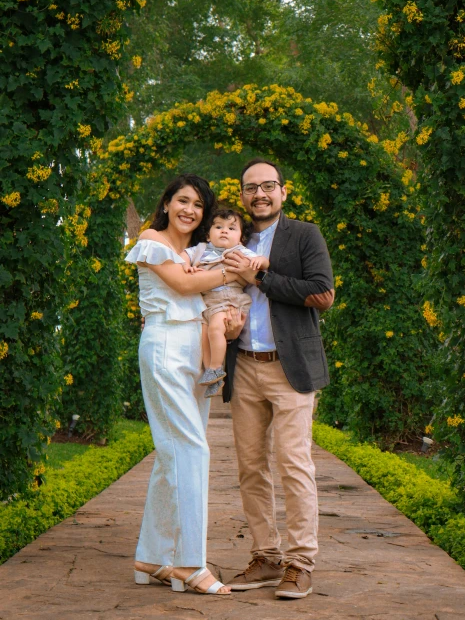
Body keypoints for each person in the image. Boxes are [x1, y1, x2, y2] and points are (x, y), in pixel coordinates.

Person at [126, 174, 244, 597]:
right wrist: (235, 273)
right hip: (164, 348)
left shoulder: (195, 252)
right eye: (183, 200)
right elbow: (182, 284)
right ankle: (191, 563)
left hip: (193, 350)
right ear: (168, 202)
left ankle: (153, 556)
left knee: (171, 453)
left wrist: (229, 321)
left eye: (198, 204)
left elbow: (204, 299)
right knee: (192, 448)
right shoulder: (152, 240)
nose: (189, 210)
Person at [223, 158, 335, 600]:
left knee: (293, 465)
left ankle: (300, 563)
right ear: (243, 194)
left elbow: (322, 294)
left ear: (283, 192)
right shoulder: (233, 236)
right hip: (246, 366)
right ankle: (267, 557)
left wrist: (263, 278)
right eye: (251, 188)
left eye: (268, 186)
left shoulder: (304, 234)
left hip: (290, 369)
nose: (260, 195)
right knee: (251, 468)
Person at [181, 208, 269, 398]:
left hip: (229, 300)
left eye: (231, 228)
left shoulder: (239, 251)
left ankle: (215, 368)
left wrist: (260, 261)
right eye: (218, 226)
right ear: (208, 233)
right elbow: (183, 257)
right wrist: (186, 267)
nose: (224, 231)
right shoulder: (201, 249)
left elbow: (263, 263)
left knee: (215, 330)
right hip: (207, 304)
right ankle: (212, 374)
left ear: (240, 238)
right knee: (204, 338)